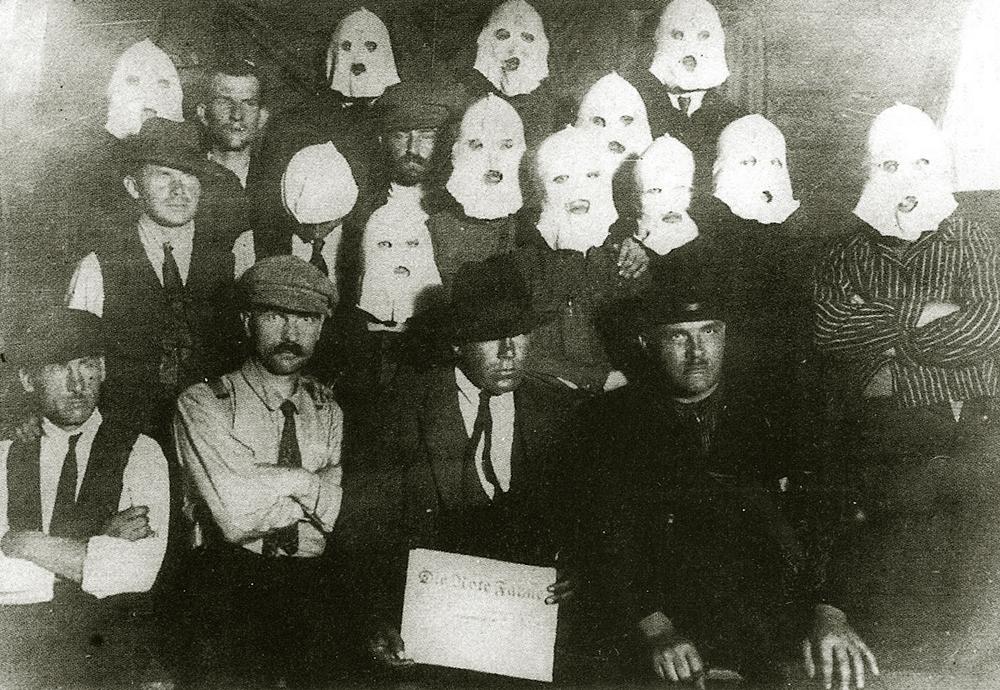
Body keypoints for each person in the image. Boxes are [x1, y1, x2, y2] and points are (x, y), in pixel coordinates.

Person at [578, 277, 877, 689]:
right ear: (647, 343)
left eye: (709, 332)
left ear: (726, 336)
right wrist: (655, 628)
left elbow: (833, 513)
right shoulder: (607, 422)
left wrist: (830, 613)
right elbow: (605, 539)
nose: (697, 352)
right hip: (664, 619)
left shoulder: (782, 410)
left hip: (773, 615)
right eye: (678, 337)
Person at [814, 103, 1000, 671]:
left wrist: (891, 346)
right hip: (893, 449)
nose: (907, 180)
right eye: (889, 166)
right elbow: (832, 330)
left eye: (923, 163)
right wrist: (931, 317)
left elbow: (986, 327)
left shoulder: (976, 239)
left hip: (976, 436)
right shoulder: (845, 253)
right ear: (867, 172)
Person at [362, 255, 578, 676]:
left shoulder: (562, 411)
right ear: (457, 343)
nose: (509, 352)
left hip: (530, 643)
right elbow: (365, 529)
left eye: (518, 333)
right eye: (491, 336)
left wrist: (578, 569)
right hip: (426, 644)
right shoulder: (399, 411)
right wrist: (375, 618)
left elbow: (588, 521)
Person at [173, 255, 357, 686]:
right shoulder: (204, 402)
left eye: (306, 319)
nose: (291, 335)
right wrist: (309, 484)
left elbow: (339, 514)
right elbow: (236, 520)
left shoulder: (328, 408)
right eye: (275, 316)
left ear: (321, 327)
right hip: (229, 585)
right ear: (246, 321)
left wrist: (258, 480)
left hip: (314, 588)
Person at [0, 307, 169, 687]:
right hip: (21, 662)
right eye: (59, 367)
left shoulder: (142, 452)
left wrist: (22, 542)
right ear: (28, 379)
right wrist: (97, 543)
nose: (77, 383)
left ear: (103, 370)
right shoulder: (5, 454)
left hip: (110, 662)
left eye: (87, 364)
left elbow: (136, 571)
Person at [66, 116, 241, 445]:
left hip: (211, 437)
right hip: (124, 442)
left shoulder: (228, 261)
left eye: (189, 175)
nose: (179, 190)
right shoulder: (98, 266)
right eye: (164, 175)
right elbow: (70, 361)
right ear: (133, 187)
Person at [518, 124, 649, 393]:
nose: (578, 190)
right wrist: (594, 379)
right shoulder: (522, 263)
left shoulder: (627, 259)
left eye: (591, 175)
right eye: (560, 179)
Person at [626, 0, 744, 195]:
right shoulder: (631, 108)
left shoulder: (734, 119)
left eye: (704, 37)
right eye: (678, 36)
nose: (690, 50)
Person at [426, 93, 528, 294]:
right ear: (457, 154)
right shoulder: (438, 229)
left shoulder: (531, 227)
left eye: (506, 146)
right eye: (478, 146)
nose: (493, 160)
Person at [460, 0, 558, 149]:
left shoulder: (547, 106)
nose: (515, 49)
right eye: (503, 36)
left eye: (527, 38)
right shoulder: (467, 97)